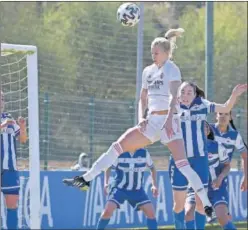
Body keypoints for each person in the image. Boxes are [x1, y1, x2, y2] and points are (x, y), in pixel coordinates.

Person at [63, 28, 215, 217]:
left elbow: (174, 96)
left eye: (156, 52)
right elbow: (142, 98)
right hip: (151, 122)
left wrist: (168, 120)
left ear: (166, 53)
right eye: (152, 52)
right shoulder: (148, 72)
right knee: (117, 146)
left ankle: (207, 205)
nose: (153, 55)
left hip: (169, 122)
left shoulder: (172, 69)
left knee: (184, 166)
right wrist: (141, 119)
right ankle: (85, 179)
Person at [169, 82, 247, 229]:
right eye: (183, 92)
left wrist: (234, 95)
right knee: (179, 206)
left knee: (201, 205)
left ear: (195, 95)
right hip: (180, 159)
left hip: (199, 160)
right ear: (178, 94)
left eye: (189, 92)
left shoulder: (202, 105)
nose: (185, 95)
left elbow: (225, 108)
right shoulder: (172, 106)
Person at [184, 122, 235, 230]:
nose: (202, 130)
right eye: (199, 128)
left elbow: (227, 166)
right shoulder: (188, 148)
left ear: (208, 131)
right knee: (188, 213)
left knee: (222, 218)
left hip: (215, 188)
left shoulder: (217, 146)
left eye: (205, 128)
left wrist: (220, 178)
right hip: (196, 187)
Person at [96, 148, 158, 230]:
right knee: (107, 211)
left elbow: (152, 168)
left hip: (137, 190)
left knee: (151, 214)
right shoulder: (120, 152)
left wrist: (154, 185)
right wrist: (106, 183)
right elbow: (108, 167)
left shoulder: (144, 153)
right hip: (120, 188)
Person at [1, 90, 28, 230]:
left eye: (2, 98)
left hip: (10, 169)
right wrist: (2, 125)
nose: (1, 101)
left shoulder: (9, 118)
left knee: (12, 206)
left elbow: (22, 140)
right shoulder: (6, 121)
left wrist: (23, 128)